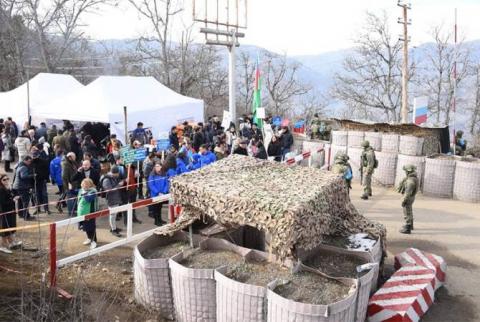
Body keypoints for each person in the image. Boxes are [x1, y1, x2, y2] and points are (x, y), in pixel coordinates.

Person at [148, 159, 176, 226]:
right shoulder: (152, 175)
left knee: (160, 207)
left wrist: (164, 191)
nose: (157, 167)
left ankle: (160, 219)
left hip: (162, 194)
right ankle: (156, 221)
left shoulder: (164, 174)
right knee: (156, 208)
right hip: (155, 194)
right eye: (156, 166)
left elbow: (166, 183)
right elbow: (151, 185)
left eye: (158, 166)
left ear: (161, 166)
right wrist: (157, 192)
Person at [0, 174, 22, 253]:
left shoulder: (8, 188)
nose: (6, 181)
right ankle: (2, 246)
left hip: (10, 211)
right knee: (4, 230)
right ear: (1, 181)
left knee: (11, 227)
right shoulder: (1, 190)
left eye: (7, 179)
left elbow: (13, 194)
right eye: (4, 180)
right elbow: (2, 203)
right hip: (4, 212)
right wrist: (13, 200)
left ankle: (11, 242)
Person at [102, 165, 124, 236]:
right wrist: (119, 185)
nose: (118, 175)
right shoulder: (106, 179)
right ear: (113, 173)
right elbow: (109, 190)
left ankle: (114, 227)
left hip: (115, 198)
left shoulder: (113, 177)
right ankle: (113, 230)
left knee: (114, 215)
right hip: (111, 199)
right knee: (112, 215)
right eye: (117, 173)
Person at [77, 178, 98, 249]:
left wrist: (84, 194)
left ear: (90, 185)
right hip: (82, 212)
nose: (84, 186)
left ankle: (94, 241)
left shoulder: (93, 191)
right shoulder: (81, 190)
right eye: (83, 185)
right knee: (86, 227)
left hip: (90, 212)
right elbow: (75, 193)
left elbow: (88, 199)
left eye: (86, 185)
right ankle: (89, 238)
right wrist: (70, 190)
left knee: (91, 227)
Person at [397, 164, 419, 234]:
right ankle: (410, 225)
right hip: (412, 197)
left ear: (408, 171)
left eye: (406, 171)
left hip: (408, 198)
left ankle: (408, 227)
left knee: (407, 212)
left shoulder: (410, 181)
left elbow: (407, 193)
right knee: (410, 211)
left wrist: (404, 201)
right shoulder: (415, 178)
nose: (405, 172)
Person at [12, 155, 34, 221]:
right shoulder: (24, 167)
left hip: (17, 186)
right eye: (29, 161)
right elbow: (24, 176)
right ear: (25, 160)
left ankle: (21, 214)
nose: (30, 163)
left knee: (20, 201)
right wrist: (32, 175)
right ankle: (26, 216)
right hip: (22, 187)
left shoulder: (19, 166)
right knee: (25, 202)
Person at [31, 148, 51, 214]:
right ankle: (38, 209)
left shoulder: (43, 162)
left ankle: (46, 209)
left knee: (44, 195)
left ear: (38, 155)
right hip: (34, 182)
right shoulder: (30, 163)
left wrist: (46, 179)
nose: (34, 156)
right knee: (36, 195)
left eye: (35, 155)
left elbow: (47, 171)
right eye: (33, 155)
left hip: (42, 181)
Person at [62, 152, 80, 217]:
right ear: (70, 157)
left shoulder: (72, 163)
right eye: (74, 157)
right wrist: (68, 184)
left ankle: (74, 210)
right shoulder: (66, 164)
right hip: (70, 184)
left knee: (74, 198)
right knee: (70, 199)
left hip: (74, 183)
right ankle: (71, 212)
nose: (75, 159)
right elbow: (64, 176)